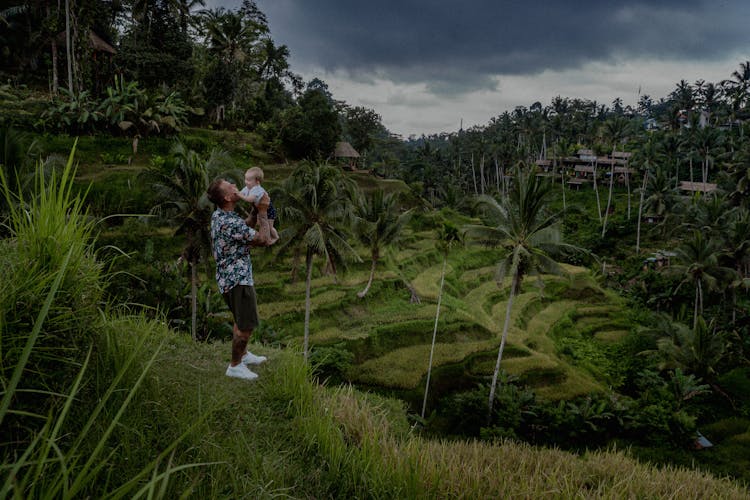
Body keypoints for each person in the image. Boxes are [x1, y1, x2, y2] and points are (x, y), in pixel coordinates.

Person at [206, 177, 274, 380]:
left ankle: (243, 356)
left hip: (230, 277)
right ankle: (235, 365)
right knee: (245, 326)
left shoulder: (221, 215)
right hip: (238, 279)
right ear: (228, 197)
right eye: (231, 187)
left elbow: (242, 230)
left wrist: (253, 211)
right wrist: (263, 211)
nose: (237, 187)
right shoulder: (228, 221)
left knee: (241, 319)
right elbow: (262, 239)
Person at [239, 167, 279, 244]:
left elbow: (250, 199)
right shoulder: (248, 187)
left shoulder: (257, 189)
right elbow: (241, 193)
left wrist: (240, 196)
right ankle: (266, 237)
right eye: (245, 179)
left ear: (257, 181)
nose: (246, 182)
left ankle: (274, 237)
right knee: (260, 223)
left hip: (269, 209)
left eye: (249, 180)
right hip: (259, 208)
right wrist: (237, 194)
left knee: (269, 226)